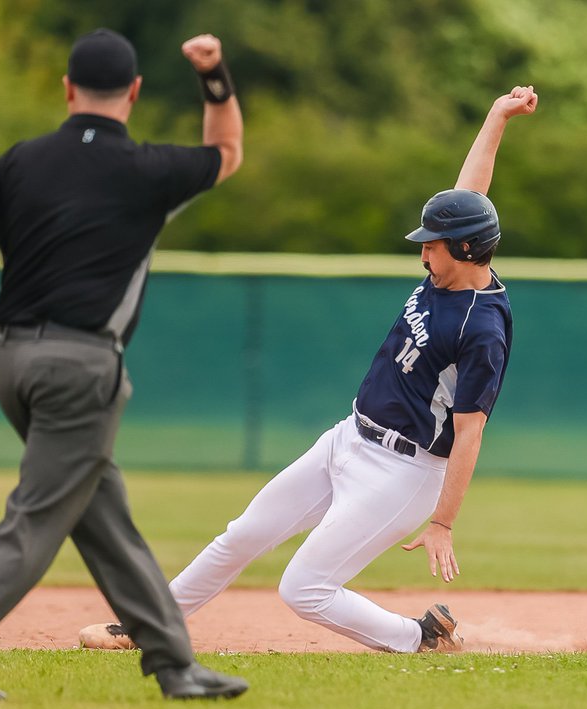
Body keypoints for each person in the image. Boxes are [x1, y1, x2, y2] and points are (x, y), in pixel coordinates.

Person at [82, 86, 539, 656]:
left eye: (435, 245)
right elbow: (469, 192)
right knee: (244, 533)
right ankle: (148, 625)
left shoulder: (483, 328)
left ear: (467, 250)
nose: (424, 254)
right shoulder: (451, 269)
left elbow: (471, 429)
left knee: (303, 588)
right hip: (348, 436)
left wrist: (443, 523)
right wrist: (497, 115)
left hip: (404, 472)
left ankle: (420, 637)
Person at [0, 29, 248, 701]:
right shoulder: (149, 169)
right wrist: (213, 76)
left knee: (102, 515)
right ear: (136, 93)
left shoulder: (19, 162)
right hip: (81, 367)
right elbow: (227, 152)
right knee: (36, 520)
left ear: (66, 90)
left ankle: (174, 663)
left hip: (11, 361)